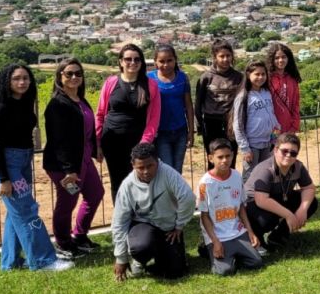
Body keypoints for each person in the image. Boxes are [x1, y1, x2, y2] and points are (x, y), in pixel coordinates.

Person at [0, 63, 72, 272]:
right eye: (16, 78)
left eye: (26, 78)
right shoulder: (0, 108)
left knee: (16, 213)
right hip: (9, 165)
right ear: (7, 81)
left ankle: (10, 263)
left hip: (24, 162)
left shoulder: (25, 104)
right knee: (27, 211)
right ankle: (44, 261)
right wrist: (4, 179)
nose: (22, 82)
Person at [43, 58, 104, 258]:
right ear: (60, 77)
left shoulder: (81, 100)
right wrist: (69, 170)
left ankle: (80, 235)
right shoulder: (57, 104)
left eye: (78, 73)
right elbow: (58, 140)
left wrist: (96, 150)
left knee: (95, 193)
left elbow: (88, 130)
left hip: (83, 159)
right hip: (65, 165)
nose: (74, 77)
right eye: (69, 73)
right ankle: (63, 242)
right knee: (68, 201)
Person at [112, 143, 195, 281]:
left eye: (150, 166)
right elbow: (120, 221)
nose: (146, 171)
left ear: (157, 161)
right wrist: (121, 258)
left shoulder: (169, 174)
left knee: (176, 271)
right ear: (133, 165)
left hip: (169, 228)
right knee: (141, 247)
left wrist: (179, 225)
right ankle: (139, 259)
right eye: (140, 168)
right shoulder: (127, 185)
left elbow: (188, 199)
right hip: (142, 225)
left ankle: (162, 254)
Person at [96, 44, 161, 201]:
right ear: (120, 61)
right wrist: (97, 142)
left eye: (137, 59)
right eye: (128, 59)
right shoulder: (111, 83)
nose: (132, 62)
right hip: (112, 141)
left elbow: (154, 118)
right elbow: (100, 114)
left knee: (141, 181)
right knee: (117, 182)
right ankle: (121, 215)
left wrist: (144, 143)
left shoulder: (150, 85)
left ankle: (140, 215)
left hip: (138, 142)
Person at [197, 139, 263, 276]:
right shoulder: (205, 183)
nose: (224, 160)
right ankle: (207, 247)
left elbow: (241, 206)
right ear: (211, 158)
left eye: (228, 156)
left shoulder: (236, 176)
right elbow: (204, 216)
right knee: (224, 271)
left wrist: (250, 232)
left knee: (256, 262)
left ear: (233, 156)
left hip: (236, 231)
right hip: (218, 236)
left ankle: (234, 253)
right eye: (220, 157)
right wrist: (215, 241)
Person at [244, 133, 319, 250]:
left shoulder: (298, 166)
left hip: (277, 197)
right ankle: (256, 239)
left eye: (293, 153)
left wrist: (302, 210)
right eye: (284, 151)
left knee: (312, 202)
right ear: (275, 150)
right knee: (266, 220)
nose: (288, 155)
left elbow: (309, 188)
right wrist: (288, 215)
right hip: (252, 203)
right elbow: (261, 200)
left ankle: (278, 236)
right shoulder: (266, 169)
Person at [148, 44, 194, 174]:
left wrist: (191, 131)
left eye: (169, 60)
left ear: (175, 60)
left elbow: (188, 105)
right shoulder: (150, 78)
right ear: (155, 62)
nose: (166, 64)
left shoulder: (182, 78)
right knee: (167, 170)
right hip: (161, 132)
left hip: (180, 131)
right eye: (162, 61)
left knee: (177, 170)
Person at [196, 39, 243, 165]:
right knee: (213, 159)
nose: (225, 59)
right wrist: (200, 125)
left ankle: (230, 178)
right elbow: (198, 103)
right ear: (215, 57)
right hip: (211, 122)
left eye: (228, 55)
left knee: (230, 158)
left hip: (231, 123)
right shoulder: (206, 77)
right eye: (222, 56)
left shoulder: (238, 77)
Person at [233, 61, 280, 180]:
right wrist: (245, 148)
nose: (260, 77)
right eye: (257, 74)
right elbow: (237, 124)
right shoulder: (243, 96)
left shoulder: (267, 93)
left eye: (263, 74)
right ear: (248, 75)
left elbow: (272, 116)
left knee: (265, 174)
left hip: (268, 143)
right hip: (252, 145)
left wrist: (275, 137)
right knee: (250, 176)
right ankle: (247, 193)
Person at [266, 43, 301, 134]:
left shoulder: (292, 79)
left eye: (284, 57)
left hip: (289, 127)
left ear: (288, 58)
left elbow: (296, 104)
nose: (281, 60)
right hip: (271, 127)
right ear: (272, 60)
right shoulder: (266, 79)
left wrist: (295, 126)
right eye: (277, 58)